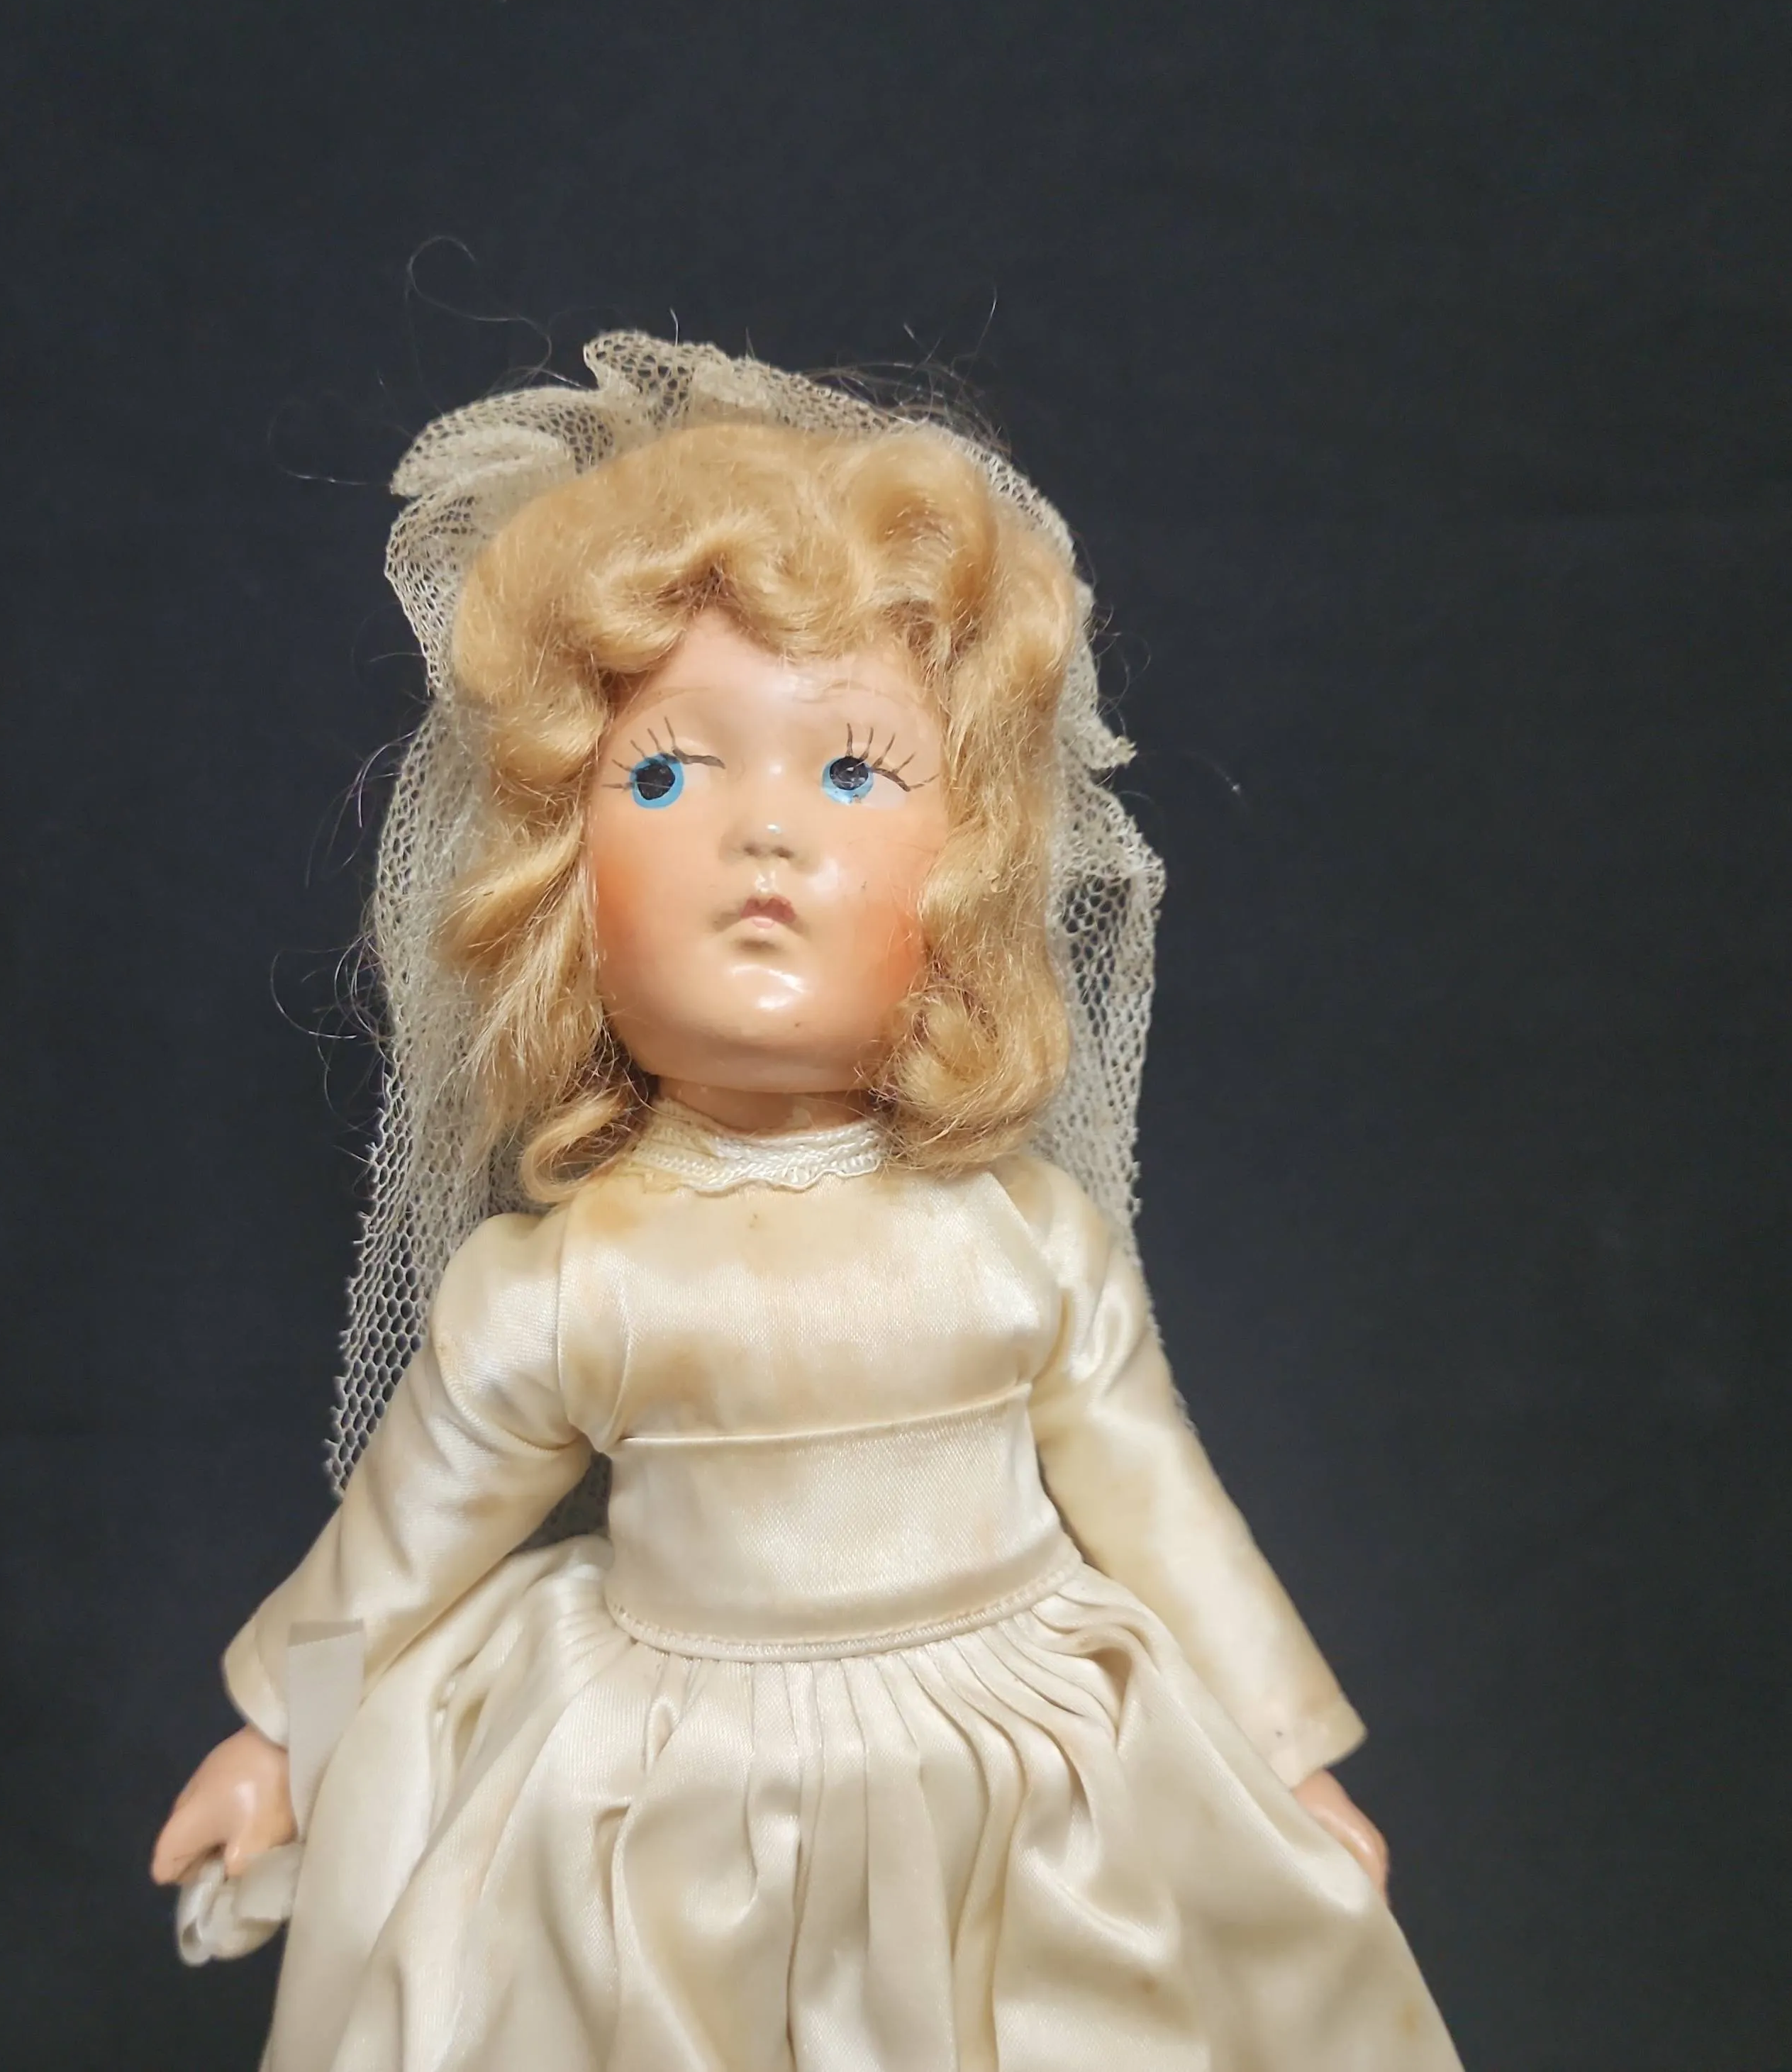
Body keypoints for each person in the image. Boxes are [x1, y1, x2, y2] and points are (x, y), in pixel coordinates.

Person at [152, 335, 1464, 2071]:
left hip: (1017, 1795)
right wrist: (282, 1741)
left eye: (853, 773)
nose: (762, 840)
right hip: (675, 1815)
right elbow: (402, 1546)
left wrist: (1289, 1763)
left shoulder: (1020, 1242)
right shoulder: (567, 1286)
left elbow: (1162, 1509)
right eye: (667, 775)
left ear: (974, 865)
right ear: (558, 882)